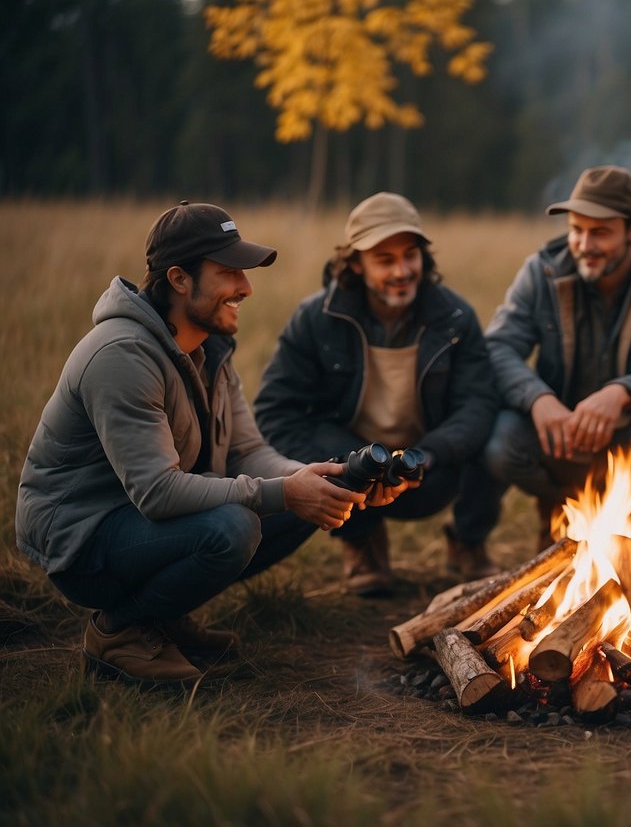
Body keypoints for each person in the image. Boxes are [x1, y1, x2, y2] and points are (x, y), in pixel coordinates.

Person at [15, 201, 392, 686]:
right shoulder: (122, 355)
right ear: (179, 279)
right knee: (233, 526)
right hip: (83, 539)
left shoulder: (209, 349)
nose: (246, 288)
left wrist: (323, 479)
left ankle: (163, 618)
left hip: (140, 524)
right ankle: (120, 632)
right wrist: (283, 492)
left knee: (308, 503)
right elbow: (158, 492)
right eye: (230, 272)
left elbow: (250, 453)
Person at [254, 192, 498, 596]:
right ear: (354, 263)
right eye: (385, 260)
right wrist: (343, 464)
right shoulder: (316, 319)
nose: (402, 271)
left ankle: (469, 541)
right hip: (348, 461)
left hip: (429, 467)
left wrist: (430, 454)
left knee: (496, 432)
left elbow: (478, 403)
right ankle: (362, 543)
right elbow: (276, 409)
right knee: (328, 455)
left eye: (410, 255)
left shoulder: (455, 317)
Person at [458, 165, 631, 547]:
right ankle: (563, 519)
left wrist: (622, 393)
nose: (585, 244)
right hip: (559, 430)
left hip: (630, 433)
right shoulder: (542, 272)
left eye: (600, 232)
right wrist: (537, 399)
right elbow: (499, 347)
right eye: (577, 229)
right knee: (497, 434)